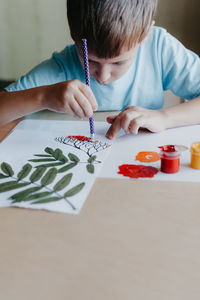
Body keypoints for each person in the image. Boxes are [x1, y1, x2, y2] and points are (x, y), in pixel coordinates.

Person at [0, 0, 200, 139]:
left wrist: (164, 118)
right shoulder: (61, 68)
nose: (103, 77)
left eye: (118, 63)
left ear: (145, 34)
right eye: (90, 60)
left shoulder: (160, 49)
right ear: (73, 36)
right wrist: (43, 96)